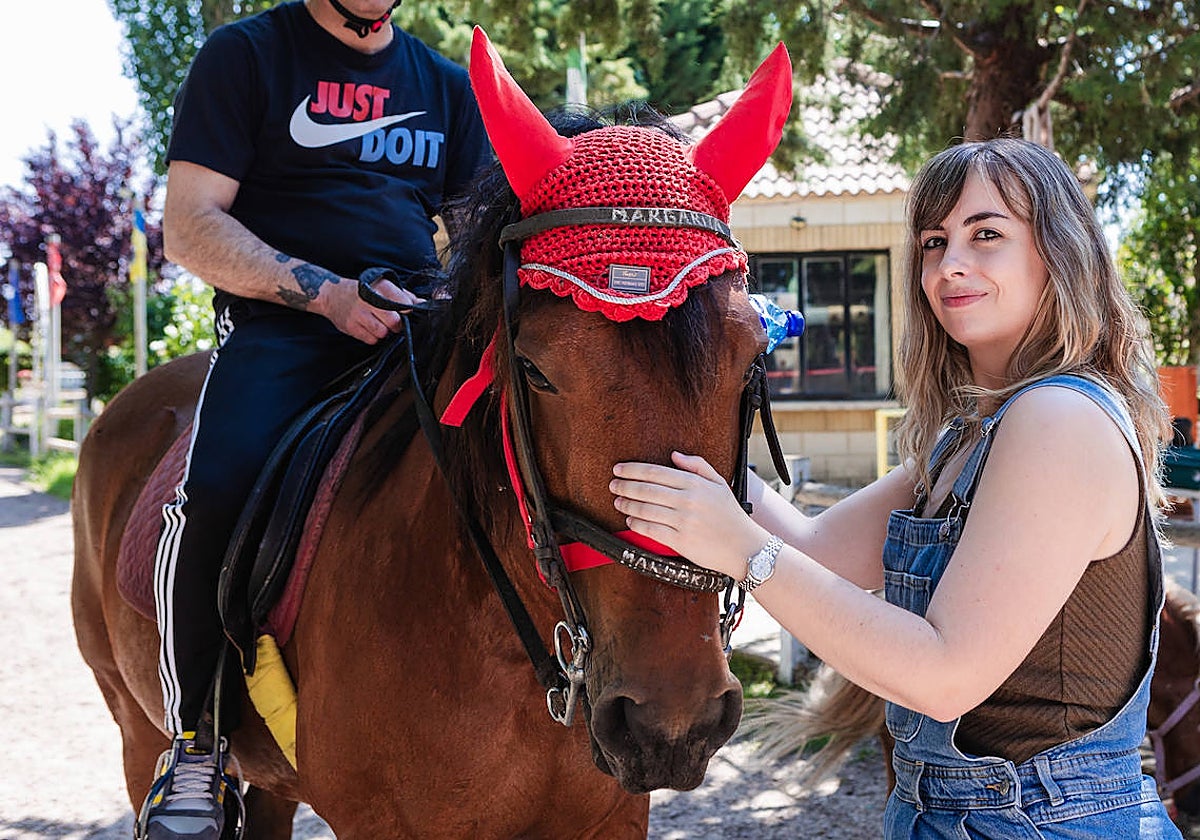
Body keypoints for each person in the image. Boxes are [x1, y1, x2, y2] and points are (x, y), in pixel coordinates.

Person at [611, 138, 1183, 837]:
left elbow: (946, 676)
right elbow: (816, 550)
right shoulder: (974, 430)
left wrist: (740, 549)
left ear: (1059, 254)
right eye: (935, 242)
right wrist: (696, 408)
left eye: (987, 235)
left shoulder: (1058, 419)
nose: (952, 265)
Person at [142, 1, 490, 837]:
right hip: (286, 328)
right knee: (214, 488)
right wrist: (324, 293)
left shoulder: (447, 87)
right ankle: (197, 746)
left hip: (416, 323)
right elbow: (189, 227)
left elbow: (482, 237)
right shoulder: (246, 56)